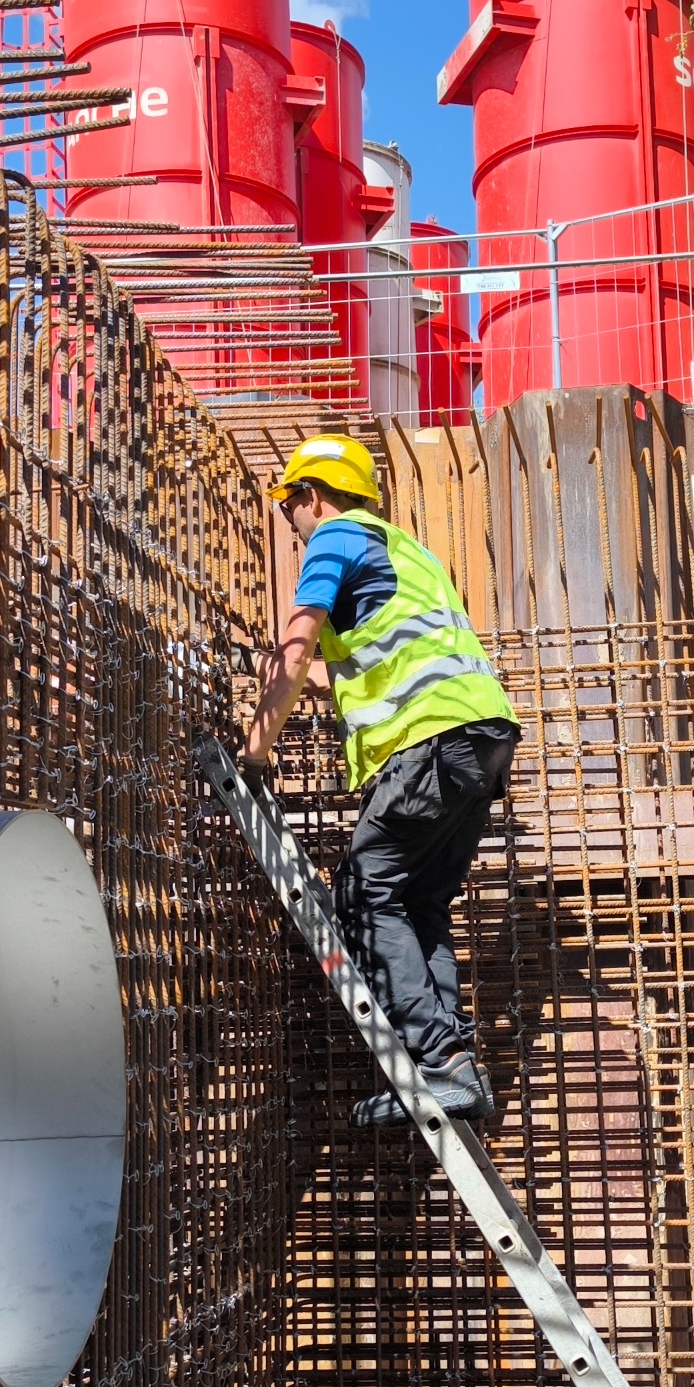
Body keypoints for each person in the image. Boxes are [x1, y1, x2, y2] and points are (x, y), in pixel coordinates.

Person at [239, 434, 519, 1126]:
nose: (291, 524)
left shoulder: (334, 537)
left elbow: (297, 645)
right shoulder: (403, 548)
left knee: (363, 895)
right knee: (417, 902)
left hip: (432, 737)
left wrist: (254, 752)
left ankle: (440, 1062)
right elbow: (376, 649)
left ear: (310, 495)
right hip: (478, 736)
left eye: (289, 507)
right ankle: (454, 1067)